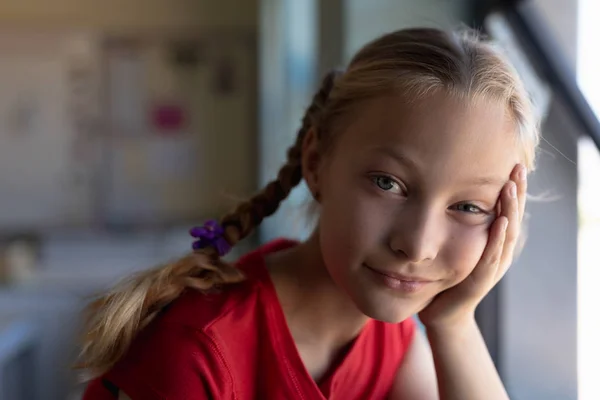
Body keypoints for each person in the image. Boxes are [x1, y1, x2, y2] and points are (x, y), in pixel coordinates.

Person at [79, 27, 539, 400]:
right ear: (317, 162)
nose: (417, 245)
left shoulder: (391, 342)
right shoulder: (198, 349)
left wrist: (454, 324)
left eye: (467, 207)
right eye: (388, 183)